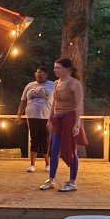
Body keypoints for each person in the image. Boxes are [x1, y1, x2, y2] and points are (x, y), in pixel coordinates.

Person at [40, 58, 83, 193]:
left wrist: (77, 124)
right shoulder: (56, 83)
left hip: (70, 118)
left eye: (58, 68)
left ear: (67, 69)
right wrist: (50, 119)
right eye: (55, 67)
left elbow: (79, 104)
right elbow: (54, 103)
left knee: (70, 150)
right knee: (53, 150)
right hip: (57, 119)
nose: (55, 70)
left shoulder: (75, 83)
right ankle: (51, 180)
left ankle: (72, 182)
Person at [17, 66, 54, 172]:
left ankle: (48, 164)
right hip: (32, 116)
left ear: (46, 75)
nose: (38, 75)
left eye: (41, 74)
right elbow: (23, 101)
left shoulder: (52, 85)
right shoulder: (30, 85)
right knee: (34, 140)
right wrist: (19, 115)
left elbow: (59, 99)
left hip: (47, 116)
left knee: (46, 140)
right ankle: (32, 164)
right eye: (37, 73)